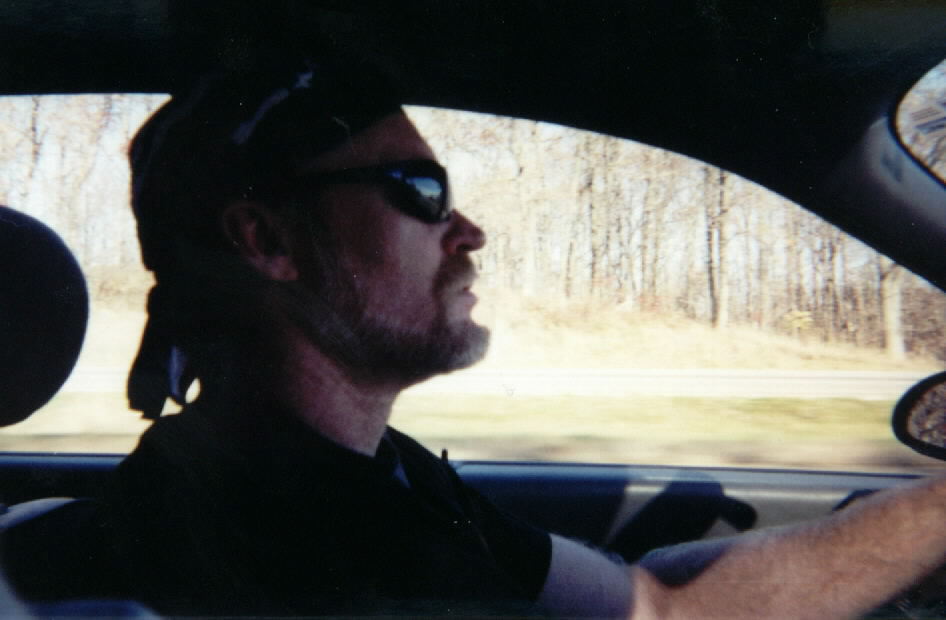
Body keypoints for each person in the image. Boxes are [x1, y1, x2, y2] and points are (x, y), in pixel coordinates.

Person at [109, 55, 946, 618]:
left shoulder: (367, 475)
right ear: (268, 240)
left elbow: (637, 598)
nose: (468, 231)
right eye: (420, 190)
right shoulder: (295, 542)